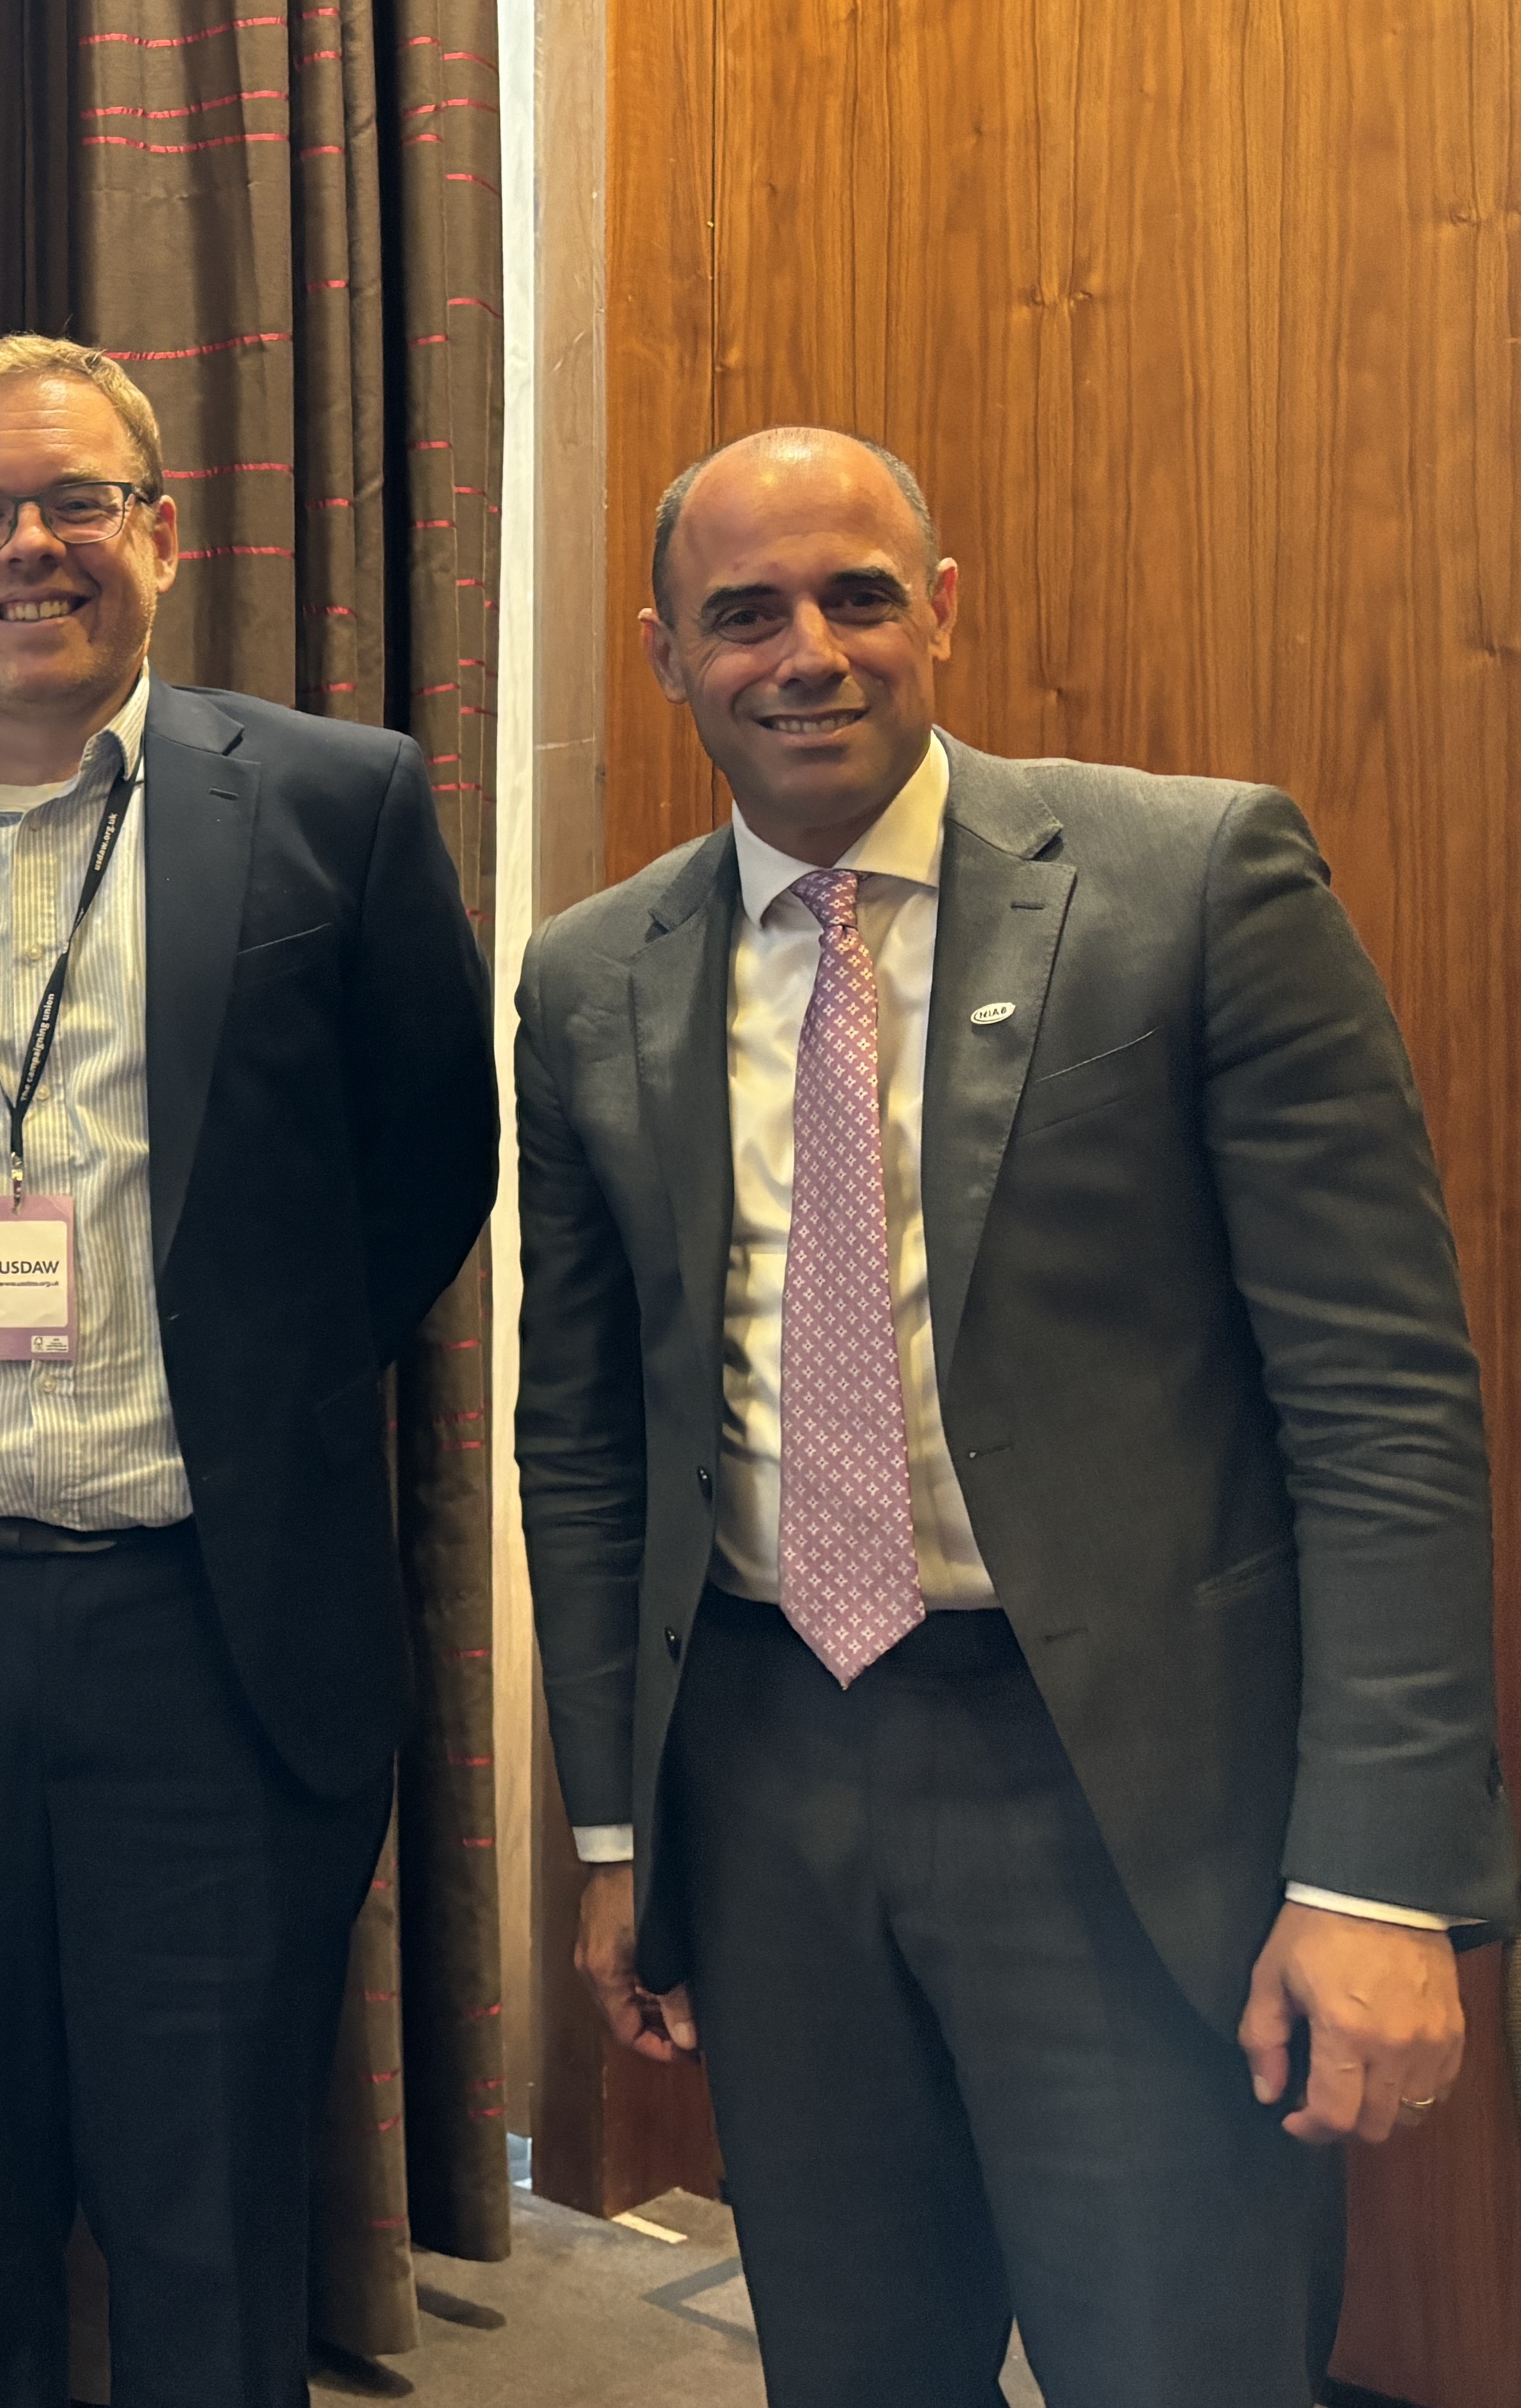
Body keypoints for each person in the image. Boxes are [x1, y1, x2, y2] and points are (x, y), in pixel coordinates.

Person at [517, 425, 1517, 2407]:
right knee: (855, 2365)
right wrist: (621, 1829)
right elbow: (587, 1440)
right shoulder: (589, 976)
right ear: (665, 655)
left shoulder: (1198, 880)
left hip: (1130, 1808)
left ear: (943, 614)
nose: (805, 651)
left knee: (1184, 2365)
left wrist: (1381, 1875)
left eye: (858, 595)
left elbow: (1384, 1403)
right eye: (743, 614)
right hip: (775, 1773)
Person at [0, 334, 496, 2407]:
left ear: (164, 535)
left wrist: (246, 1375)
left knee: (208, 2221)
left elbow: (433, 1159)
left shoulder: (337, 797)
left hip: (209, 1639)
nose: (27, 548)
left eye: (75, 504)